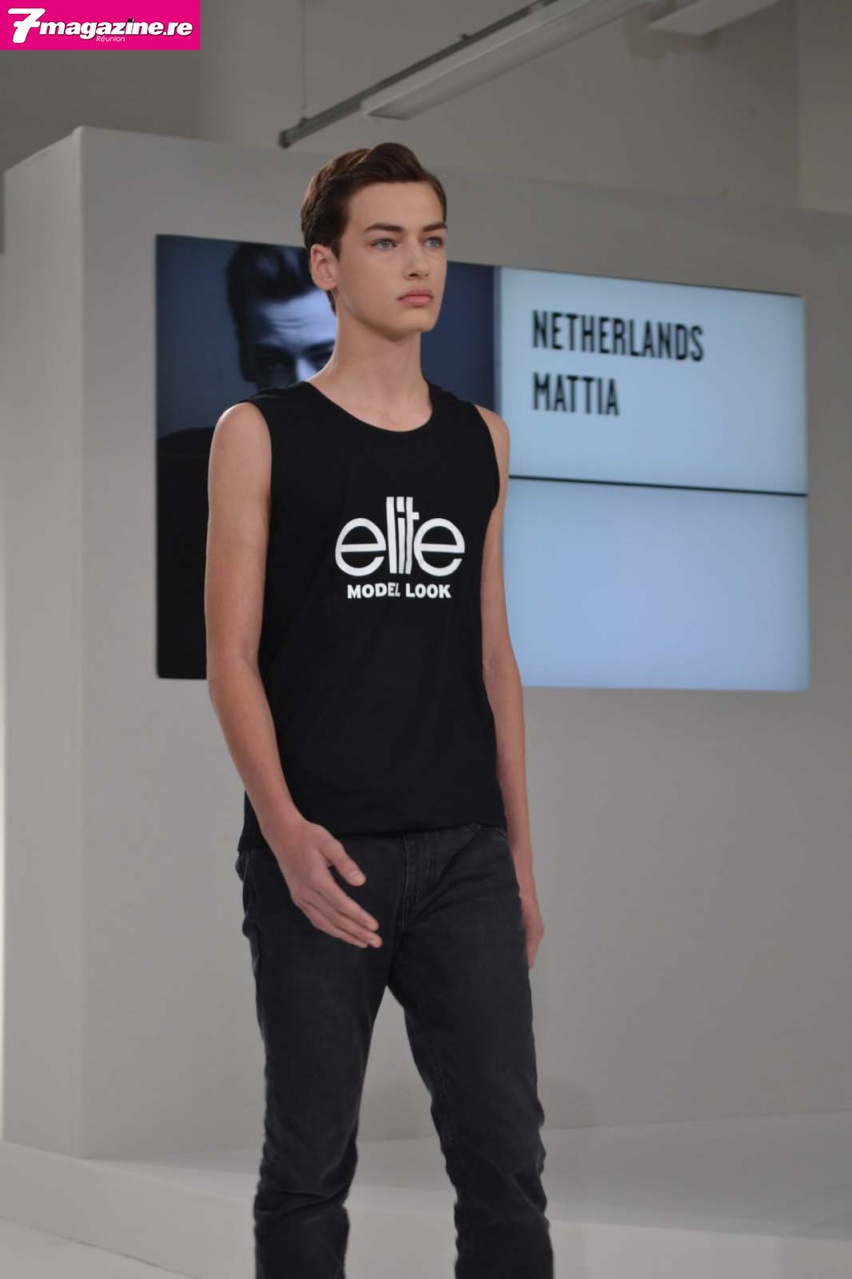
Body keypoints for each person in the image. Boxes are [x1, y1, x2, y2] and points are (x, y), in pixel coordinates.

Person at [205, 141, 553, 1279]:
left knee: (506, 1167)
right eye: (387, 240)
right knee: (308, 1167)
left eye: (433, 240)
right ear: (327, 265)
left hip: (464, 856)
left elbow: (494, 657)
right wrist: (285, 833)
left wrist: (518, 856)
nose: (419, 265)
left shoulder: (482, 438)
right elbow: (230, 657)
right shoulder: (259, 433)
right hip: (321, 852)